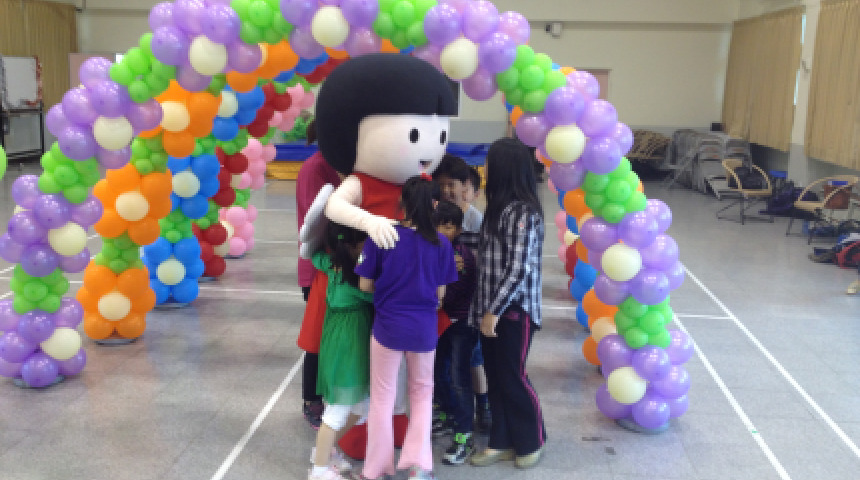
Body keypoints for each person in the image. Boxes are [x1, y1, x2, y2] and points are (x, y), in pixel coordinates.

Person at [354, 176, 459, 480]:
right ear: (434, 205)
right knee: (422, 396)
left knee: (382, 398)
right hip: (423, 330)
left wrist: (390, 291)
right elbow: (440, 294)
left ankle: (375, 470)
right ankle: (419, 467)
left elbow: (365, 284)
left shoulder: (381, 236)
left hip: (387, 328)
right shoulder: (441, 244)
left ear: (403, 203)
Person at [468, 138, 547, 470]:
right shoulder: (498, 209)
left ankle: (532, 440)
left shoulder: (522, 213)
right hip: (491, 311)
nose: (485, 168)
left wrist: (493, 311)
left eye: (489, 162)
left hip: (513, 312)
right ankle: (500, 441)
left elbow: (518, 268)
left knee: (513, 376)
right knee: (496, 377)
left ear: (504, 168)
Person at [308, 224, 374, 480]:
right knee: (336, 410)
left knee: (360, 407)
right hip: (348, 345)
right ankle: (319, 471)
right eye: (364, 243)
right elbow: (378, 295)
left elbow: (313, 254)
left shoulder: (330, 263)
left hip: (340, 339)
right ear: (353, 246)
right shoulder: (358, 279)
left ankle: (324, 452)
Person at [432, 157, 491, 432]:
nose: (446, 190)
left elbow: (485, 264)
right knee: (443, 365)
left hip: (468, 308)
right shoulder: (434, 216)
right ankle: (448, 410)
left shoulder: (476, 221)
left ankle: (483, 406)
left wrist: (465, 264)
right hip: (442, 308)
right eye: (441, 184)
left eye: (452, 185)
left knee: (472, 361)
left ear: (465, 186)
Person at [297, 120, 342, 429]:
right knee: (317, 337)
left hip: (334, 266)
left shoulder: (334, 165)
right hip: (319, 267)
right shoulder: (316, 168)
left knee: (332, 336)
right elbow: (321, 219)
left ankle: (331, 394)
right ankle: (311, 400)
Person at [431, 200, 479, 465]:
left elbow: (448, 296)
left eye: (448, 227)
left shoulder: (462, 257)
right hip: (440, 324)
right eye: (439, 226)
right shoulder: (435, 252)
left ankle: (465, 434)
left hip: (460, 324)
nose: (442, 232)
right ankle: (449, 415)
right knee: (439, 371)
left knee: (459, 377)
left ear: (459, 230)